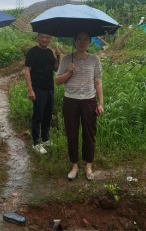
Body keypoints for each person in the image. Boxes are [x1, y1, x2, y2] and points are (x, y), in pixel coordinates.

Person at [56, 32, 104, 181]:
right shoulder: (66, 60)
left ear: (89, 42)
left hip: (89, 101)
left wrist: (100, 103)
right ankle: (75, 166)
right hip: (70, 101)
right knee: (72, 133)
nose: (82, 42)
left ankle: (88, 166)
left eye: (85, 39)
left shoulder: (94, 59)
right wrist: (69, 72)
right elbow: (57, 81)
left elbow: (98, 82)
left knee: (89, 134)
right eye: (79, 39)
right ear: (74, 41)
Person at [24, 33, 61, 154]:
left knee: (47, 115)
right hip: (38, 88)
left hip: (50, 88)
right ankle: (36, 143)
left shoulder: (50, 52)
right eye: (42, 37)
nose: (44, 39)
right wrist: (30, 90)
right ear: (38, 37)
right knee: (37, 116)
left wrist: (58, 58)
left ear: (50, 38)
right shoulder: (32, 52)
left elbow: (55, 69)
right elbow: (27, 71)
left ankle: (45, 139)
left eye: (47, 37)